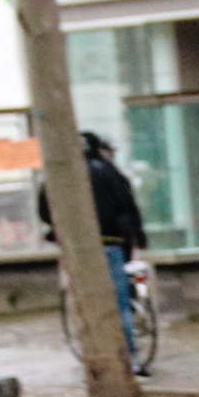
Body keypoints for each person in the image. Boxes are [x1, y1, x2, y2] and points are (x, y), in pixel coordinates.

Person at [37, 132, 149, 375]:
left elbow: (45, 212)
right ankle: (129, 360)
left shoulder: (56, 175)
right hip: (111, 244)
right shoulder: (107, 171)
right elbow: (127, 204)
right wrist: (137, 236)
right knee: (120, 304)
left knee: (86, 305)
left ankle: (97, 357)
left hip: (76, 249)